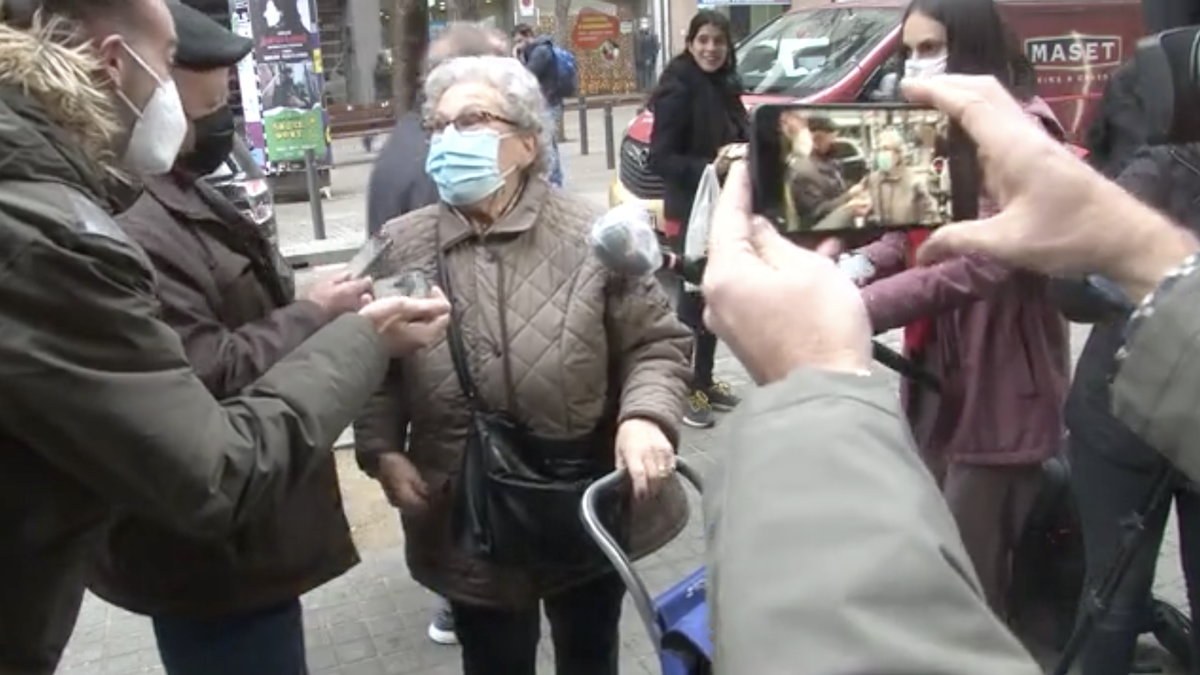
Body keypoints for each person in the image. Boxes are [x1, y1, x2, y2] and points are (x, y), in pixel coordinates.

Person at [0, 1, 449, 672]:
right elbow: (211, 469)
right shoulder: (57, 231)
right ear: (115, 62)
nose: (207, 118)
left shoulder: (65, 196)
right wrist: (359, 338)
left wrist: (309, 309)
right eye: (172, 55)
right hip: (202, 563)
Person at [353, 55, 691, 675]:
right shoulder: (400, 243)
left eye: (473, 120)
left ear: (528, 142)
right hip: (465, 509)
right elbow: (377, 363)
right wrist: (382, 449)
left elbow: (658, 343)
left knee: (589, 655)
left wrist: (644, 418)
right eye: (440, 126)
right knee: (493, 661)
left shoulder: (594, 233)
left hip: (580, 500)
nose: (450, 139)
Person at [80, 4, 364, 673]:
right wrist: (325, 318)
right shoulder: (132, 216)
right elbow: (206, 367)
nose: (219, 125)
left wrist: (300, 302)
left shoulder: (171, 182)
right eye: (208, 109)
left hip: (239, 543)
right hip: (211, 556)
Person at [839, 0, 1070, 620]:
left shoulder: (1021, 130)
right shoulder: (928, 122)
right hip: (935, 373)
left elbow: (987, 261)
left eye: (929, 48)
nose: (918, 66)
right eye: (908, 52)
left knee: (974, 585)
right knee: (939, 555)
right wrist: (856, 266)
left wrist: (859, 309)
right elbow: (905, 230)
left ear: (970, 47)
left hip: (999, 386)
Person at [364, 21, 509, 646]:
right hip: (463, 418)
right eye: (506, 69)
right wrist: (380, 444)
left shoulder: (404, 141)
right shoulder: (443, 168)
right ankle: (458, 596)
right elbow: (391, 333)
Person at [647, 9, 748, 428]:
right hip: (690, 208)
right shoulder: (678, 87)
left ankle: (704, 378)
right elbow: (660, 158)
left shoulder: (725, 84)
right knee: (692, 299)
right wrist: (712, 166)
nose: (710, 48)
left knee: (715, 295)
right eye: (703, 40)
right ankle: (687, 388)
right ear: (690, 43)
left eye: (718, 42)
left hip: (721, 206)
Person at [781, 111, 871, 232]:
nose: (834, 141)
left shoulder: (829, 161)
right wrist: (848, 199)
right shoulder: (804, 172)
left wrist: (854, 190)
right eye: (831, 137)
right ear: (817, 138)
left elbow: (836, 187)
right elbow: (816, 213)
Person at [511, 23, 564, 187]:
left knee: (548, 143)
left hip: (548, 102)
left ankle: (554, 182)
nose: (519, 45)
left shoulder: (541, 51)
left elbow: (527, 75)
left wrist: (516, 58)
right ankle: (555, 180)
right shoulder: (535, 51)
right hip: (546, 101)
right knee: (550, 143)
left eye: (520, 40)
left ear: (528, 36)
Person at [865, 127, 938, 226]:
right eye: (879, 150)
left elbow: (931, 217)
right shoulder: (872, 180)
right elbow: (867, 213)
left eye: (885, 149)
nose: (881, 154)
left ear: (898, 153)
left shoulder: (914, 182)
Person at [633, 17, 659, 91]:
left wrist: (651, 57)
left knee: (648, 74)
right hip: (639, 60)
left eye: (645, 23)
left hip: (649, 58)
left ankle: (649, 88)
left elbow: (655, 48)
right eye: (642, 23)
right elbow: (636, 47)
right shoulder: (637, 36)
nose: (643, 26)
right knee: (641, 74)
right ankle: (641, 88)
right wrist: (637, 58)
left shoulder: (652, 36)